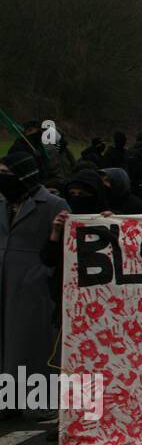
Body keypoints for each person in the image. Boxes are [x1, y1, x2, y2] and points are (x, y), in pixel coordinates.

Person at [0, 151, 69, 420]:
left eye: (6, 174)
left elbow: (64, 245)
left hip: (34, 281)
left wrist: (44, 271)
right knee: (5, 343)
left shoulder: (52, 203)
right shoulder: (3, 202)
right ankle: (8, 400)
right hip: (5, 279)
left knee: (29, 344)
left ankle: (37, 401)